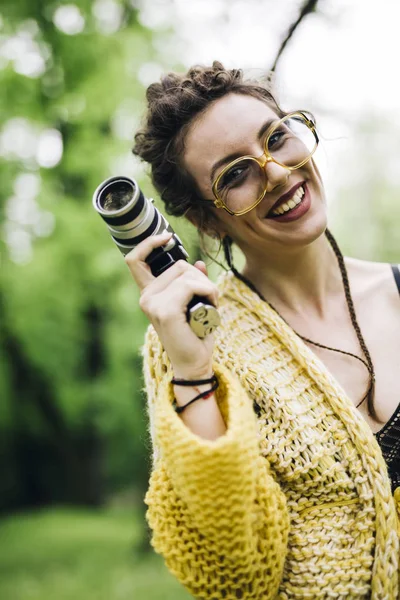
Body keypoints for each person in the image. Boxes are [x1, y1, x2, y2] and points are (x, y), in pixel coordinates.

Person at [126, 62, 400, 599]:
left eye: (277, 137)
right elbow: (236, 575)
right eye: (235, 174)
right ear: (207, 221)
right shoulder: (197, 342)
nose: (276, 172)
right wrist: (192, 370)